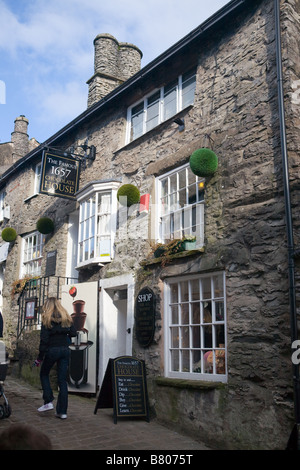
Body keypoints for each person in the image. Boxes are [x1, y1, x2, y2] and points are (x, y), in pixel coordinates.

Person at [34, 297, 76, 419]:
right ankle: (62, 412)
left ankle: (48, 401)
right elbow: (73, 333)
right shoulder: (66, 317)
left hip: (52, 350)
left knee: (44, 374)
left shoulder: (46, 319)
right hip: (65, 350)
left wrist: (39, 358)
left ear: (47, 306)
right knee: (62, 380)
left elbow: (44, 340)